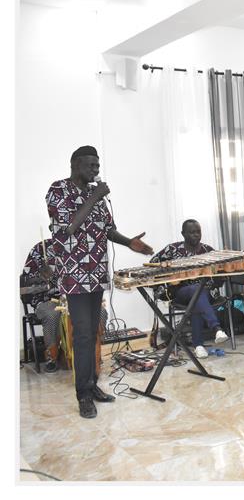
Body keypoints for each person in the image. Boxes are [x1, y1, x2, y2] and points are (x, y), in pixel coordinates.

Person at [46, 145, 154, 418]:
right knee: (82, 334)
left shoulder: (96, 196)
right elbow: (69, 226)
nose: (96, 170)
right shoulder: (58, 190)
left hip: (96, 274)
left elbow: (108, 230)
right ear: (75, 165)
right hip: (74, 276)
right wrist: (94, 196)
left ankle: (91, 385)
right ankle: (83, 395)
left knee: (93, 332)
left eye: (98, 165)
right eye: (91, 165)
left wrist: (130, 242)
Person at [21, 239, 109, 373]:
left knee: (101, 312)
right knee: (52, 315)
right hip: (47, 299)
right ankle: (52, 357)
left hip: (76, 296)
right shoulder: (40, 249)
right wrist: (40, 277)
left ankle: (94, 355)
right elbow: (24, 283)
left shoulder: (80, 246)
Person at [150, 220, 229, 358]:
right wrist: (169, 274)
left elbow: (220, 274)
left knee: (197, 296)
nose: (196, 235)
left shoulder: (208, 251)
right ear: (183, 234)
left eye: (198, 232)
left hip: (206, 293)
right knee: (195, 292)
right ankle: (216, 328)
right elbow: (152, 264)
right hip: (181, 292)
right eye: (192, 232)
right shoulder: (172, 250)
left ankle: (198, 345)